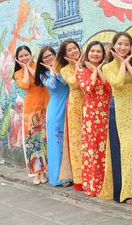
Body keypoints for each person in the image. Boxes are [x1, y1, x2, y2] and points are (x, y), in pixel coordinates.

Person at [99, 32, 132, 204]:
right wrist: (123, 64)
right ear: (113, 47)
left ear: (131, 47)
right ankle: (126, 192)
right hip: (120, 111)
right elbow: (117, 84)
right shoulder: (108, 67)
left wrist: (128, 63)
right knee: (126, 151)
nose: (123, 47)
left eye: (126, 44)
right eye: (120, 44)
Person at [75, 41, 111, 197]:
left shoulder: (107, 70)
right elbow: (88, 88)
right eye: (92, 51)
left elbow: (110, 88)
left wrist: (99, 70)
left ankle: (105, 184)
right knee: (92, 149)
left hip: (106, 113)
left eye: (99, 52)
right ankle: (91, 185)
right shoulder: (81, 72)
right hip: (91, 115)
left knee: (105, 149)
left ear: (103, 55)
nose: (95, 54)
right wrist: (94, 71)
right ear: (87, 54)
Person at [34, 46, 72, 187]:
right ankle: (58, 178)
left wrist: (56, 70)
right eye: (45, 57)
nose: (49, 58)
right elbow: (53, 86)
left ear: (56, 55)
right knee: (56, 144)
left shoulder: (63, 69)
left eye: (51, 55)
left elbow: (65, 82)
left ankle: (69, 175)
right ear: (41, 60)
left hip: (68, 107)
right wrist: (51, 72)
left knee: (67, 142)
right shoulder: (43, 74)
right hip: (55, 111)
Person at [13, 45, 49, 185]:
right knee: (32, 144)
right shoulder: (18, 73)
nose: (24, 58)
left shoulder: (39, 66)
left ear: (31, 55)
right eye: (21, 56)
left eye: (26, 55)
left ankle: (44, 171)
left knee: (44, 142)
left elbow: (40, 80)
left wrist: (30, 66)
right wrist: (26, 68)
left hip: (45, 107)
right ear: (17, 59)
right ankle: (35, 173)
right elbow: (26, 85)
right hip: (31, 112)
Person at [56, 39, 84, 191]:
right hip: (74, 106)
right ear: (65, 54)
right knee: (76, 141)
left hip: (90, 104)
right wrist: (78, 66)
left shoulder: (88, 63)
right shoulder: (65, 69)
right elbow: (75, 83)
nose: (74, 51)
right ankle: (79, 179)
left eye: (75, 48)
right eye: (70, 50)